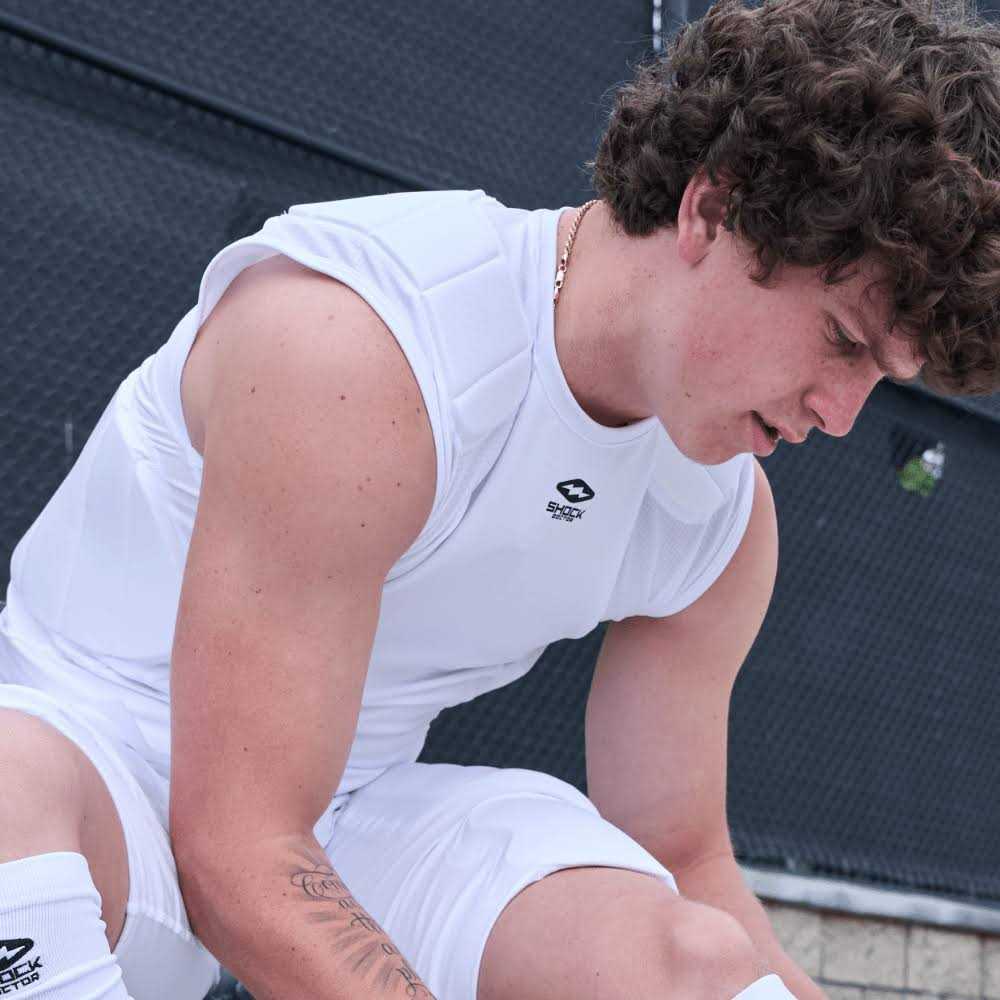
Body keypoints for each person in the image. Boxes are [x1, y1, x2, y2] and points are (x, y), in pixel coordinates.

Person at [1, 0, 999, 997]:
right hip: (98, 792)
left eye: (882, 377)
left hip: (351, 821)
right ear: (711, 210)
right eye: (841, 340)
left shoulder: (720, 522)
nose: (840, 415)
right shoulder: (370, 342)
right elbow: (233, 845)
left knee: (691, 966)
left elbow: (682, 855)